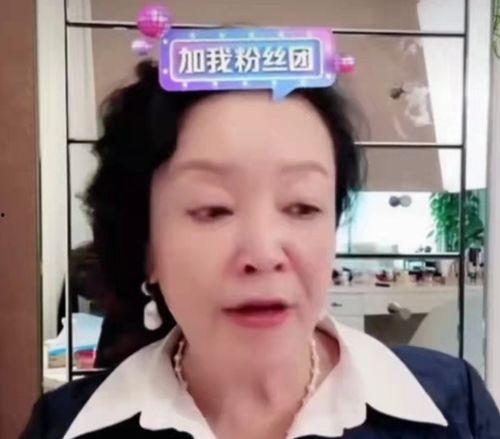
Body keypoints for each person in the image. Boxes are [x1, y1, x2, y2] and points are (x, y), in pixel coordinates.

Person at [22, 58, 500, 439]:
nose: (264, 252)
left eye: (302, 206)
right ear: (146, 247)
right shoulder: (64, 427)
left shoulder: (454, 409)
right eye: (213, 209)